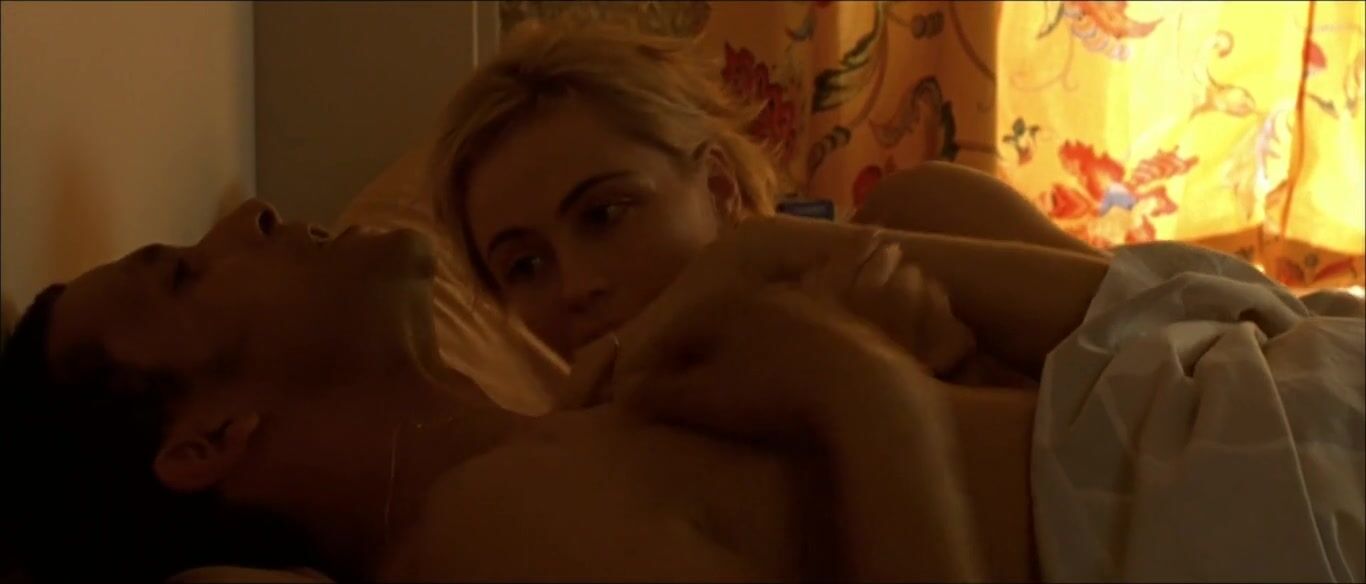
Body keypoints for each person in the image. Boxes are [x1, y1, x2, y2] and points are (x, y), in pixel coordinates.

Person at [432, 21, 1364, 583]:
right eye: (524, 266)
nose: (577, 285)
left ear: (714, 187)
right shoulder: (587, 477)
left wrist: (774, 263)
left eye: (605, 215)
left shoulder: (912, 226)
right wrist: (884, 392)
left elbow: (1230, 317)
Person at [2, 199, 1046, 583]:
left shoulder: (547, 446)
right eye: (186, 275)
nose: (250, 216)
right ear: (206, 441)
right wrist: (869, 395)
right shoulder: (487, 537)